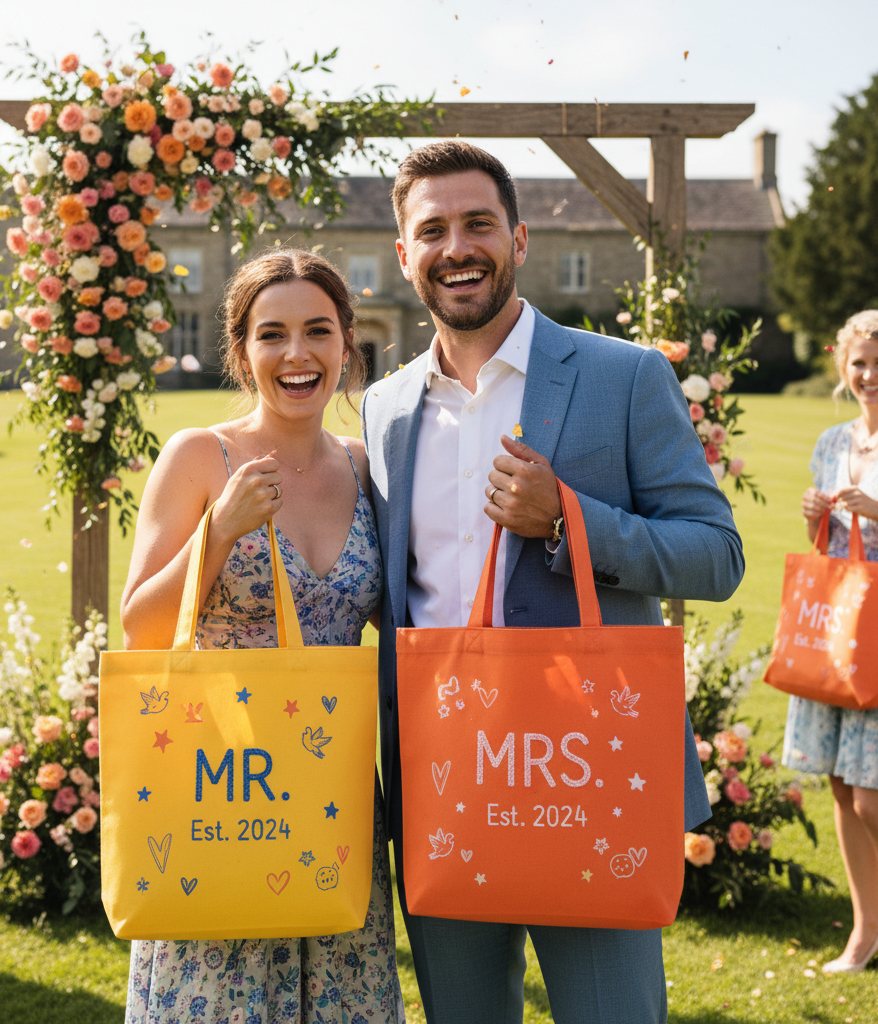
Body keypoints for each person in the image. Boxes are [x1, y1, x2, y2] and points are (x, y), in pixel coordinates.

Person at [360, 142, 744, 1024]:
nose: (457, 246)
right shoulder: (386, 407)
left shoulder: (624, 376)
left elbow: (716, 555)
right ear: (405, 255)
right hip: (441, 776)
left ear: (520, 239)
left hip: (586, 772)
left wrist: (571, 520)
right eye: (433, 229)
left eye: (478, 224)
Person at [119, 250, 403, 1023]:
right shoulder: (198, 456)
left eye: (317, 330)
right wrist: (220, 531)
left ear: (348, 341)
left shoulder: (363, 465)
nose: (297, 354)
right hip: (224, 790)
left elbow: (395, 610)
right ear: (242, 351)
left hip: (333, 800)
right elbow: (139, 624)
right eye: (272, 334)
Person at [784, 309, 878, 975]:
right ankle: (864, 933)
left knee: (873, 795)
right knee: (843, 788)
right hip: (839, 627)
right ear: (844, 367)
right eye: (862, 363)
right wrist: (816, 514)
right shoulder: (830, 440)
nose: (870, 376)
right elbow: (827, 536)